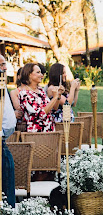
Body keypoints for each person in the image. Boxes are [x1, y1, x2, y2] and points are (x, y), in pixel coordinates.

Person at [18, 63, 64, 132]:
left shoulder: (40, 90)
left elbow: (54, 109)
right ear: (29, 74)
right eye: (38, 72)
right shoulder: (24, 94)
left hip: (49, 130)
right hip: (37, 133)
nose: (42, 75)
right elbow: (41, 114)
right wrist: (54, 98)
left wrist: (58, 96)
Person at [0, 54, 16, 207]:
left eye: (4, 64)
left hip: (3, 141)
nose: (4, 67)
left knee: (7, 188)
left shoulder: (2, 84)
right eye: (1, 64)